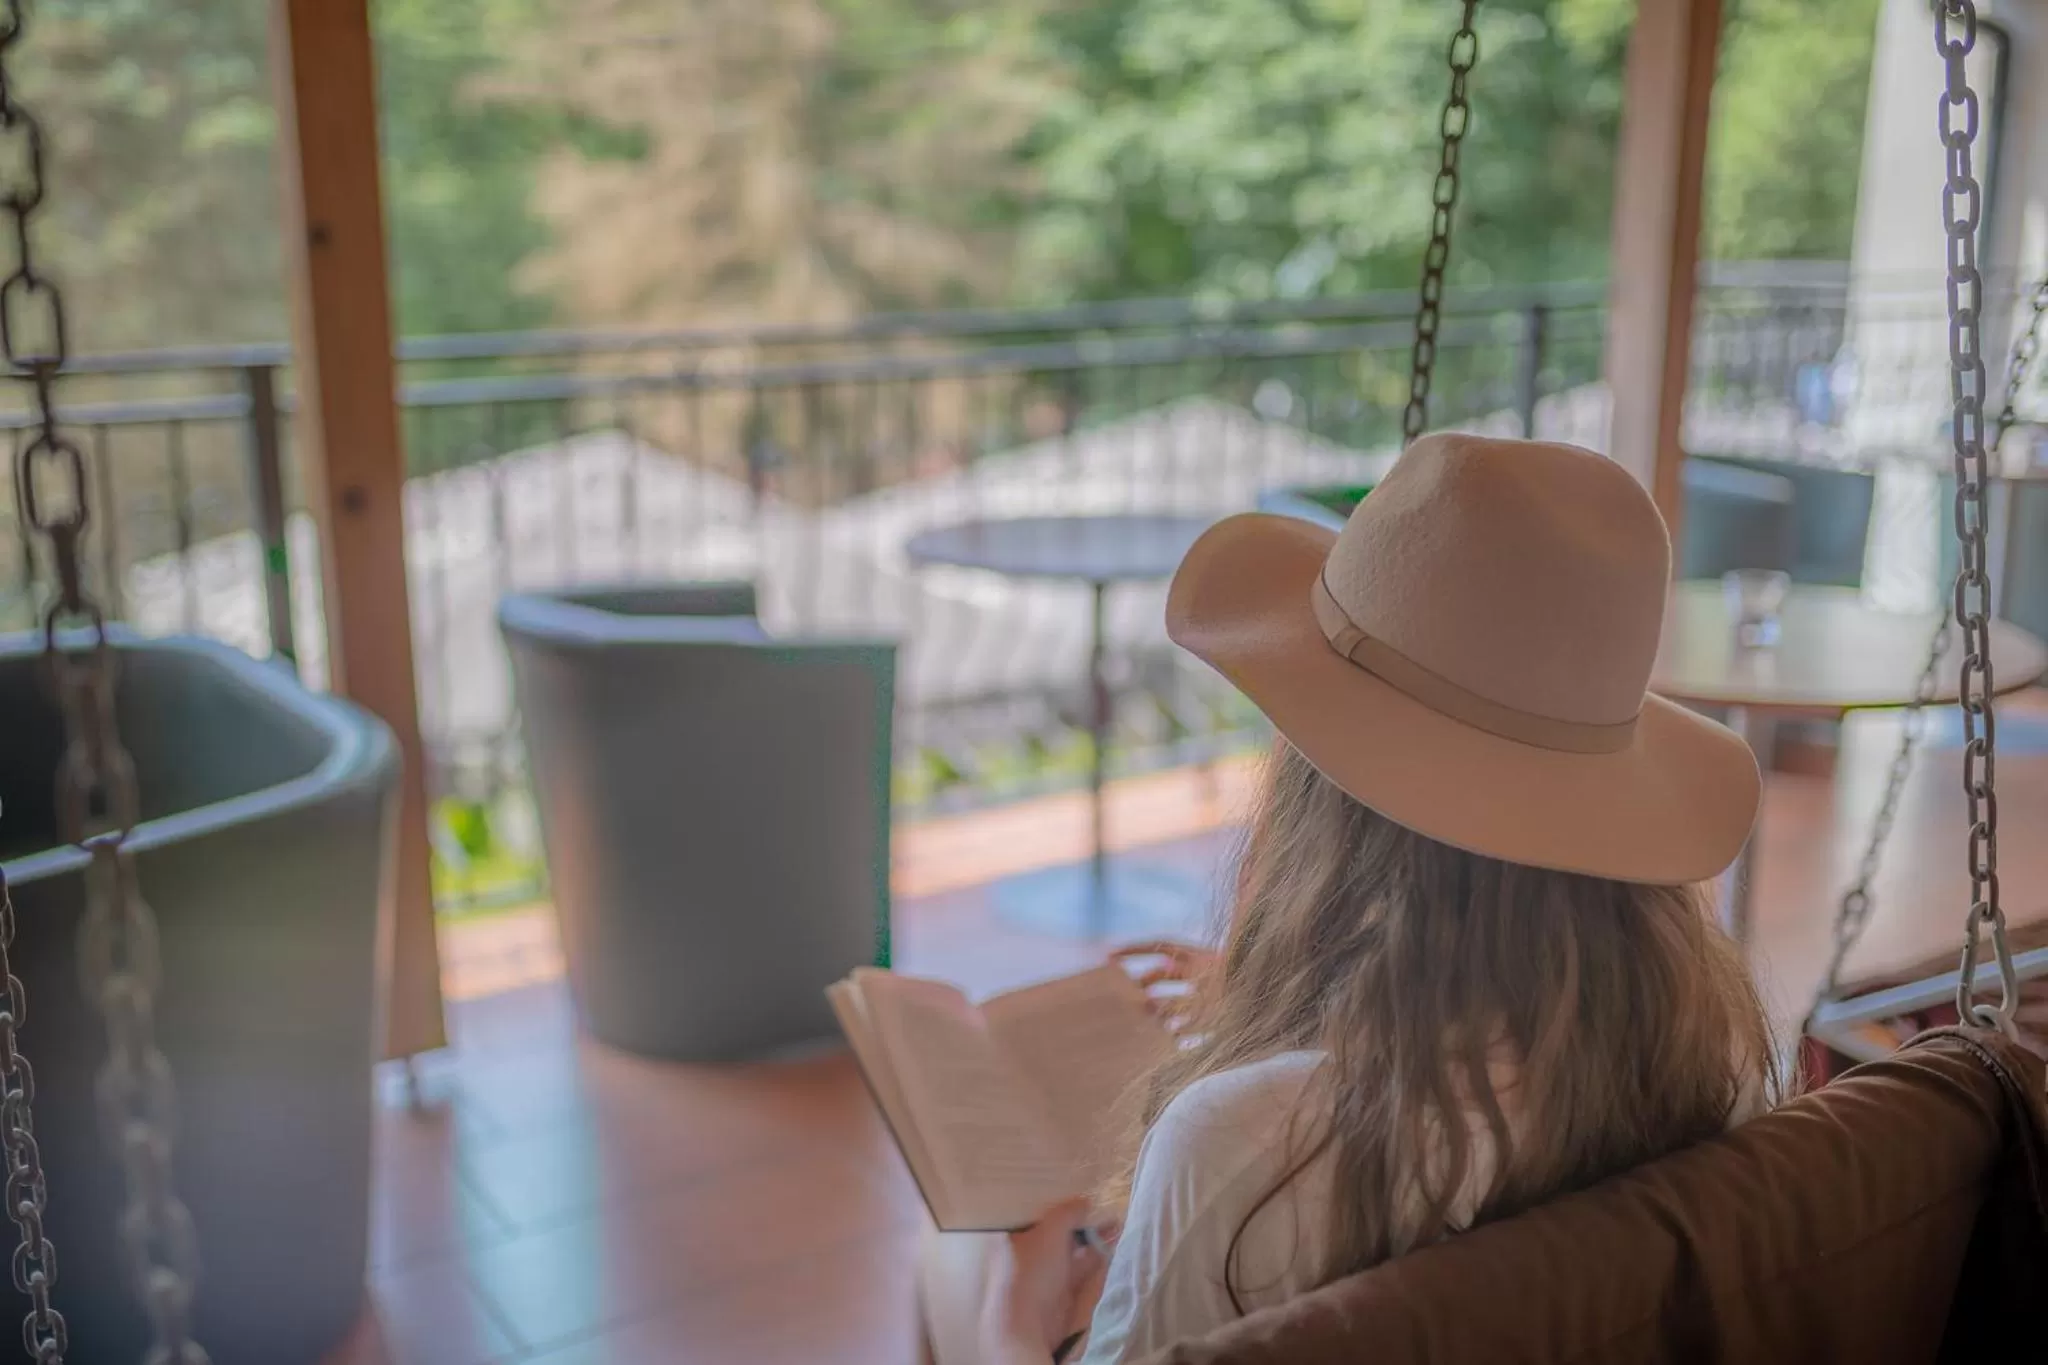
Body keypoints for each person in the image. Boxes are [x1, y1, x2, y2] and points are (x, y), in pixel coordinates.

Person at [929, 434, 1776, 1365]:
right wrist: (1299, 997)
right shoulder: (1710, 1052)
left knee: (956, 1271)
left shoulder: (1239, 1143)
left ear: (1324, 794)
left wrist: (1009, 1322)